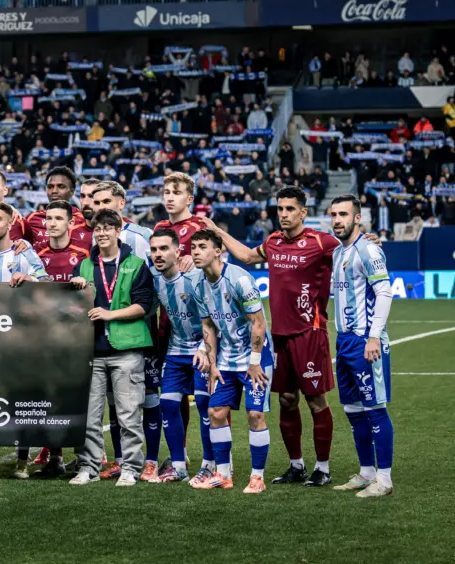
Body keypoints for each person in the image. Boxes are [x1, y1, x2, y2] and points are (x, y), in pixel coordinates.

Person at [203, 186, 345, 487]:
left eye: (290, 209)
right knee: (287, 399)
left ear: (303, 212)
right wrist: (216, 231)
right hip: (279, 336)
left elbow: (350, 250)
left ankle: (323, 467)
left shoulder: (322, 242)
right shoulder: (274, 242)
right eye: (280, 209)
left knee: (315, 400)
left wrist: (367, 238)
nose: (283, 214)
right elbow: (245, 255)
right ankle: (297, 466)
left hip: (310, 332)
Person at [68, 209, 154, 487]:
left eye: (108, 228)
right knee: (90, 417)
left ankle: (129, 467)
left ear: (119, 231)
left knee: (129, 415)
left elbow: (144, 306)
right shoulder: (82, 266)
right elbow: (70, 308)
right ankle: (88, 467)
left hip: (127, 350)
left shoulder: (136, 263)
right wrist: (76, 288)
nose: (102, 233)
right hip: (90, 352)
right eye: (98, 229)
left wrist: (108, 314)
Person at [188, 229, 275, 494]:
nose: (195, 252)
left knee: (255, 414)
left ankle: (257, 477)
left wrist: (255, 361)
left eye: (202, 246)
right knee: (215, 412)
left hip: (255, 359)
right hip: (226, 361)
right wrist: (213, 364)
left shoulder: (240, 279)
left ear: (218, 251)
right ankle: (223, 474)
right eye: (193, 247)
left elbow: (258, 323)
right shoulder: (197, 284)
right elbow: (207, 327)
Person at [0, 202, 50, 478]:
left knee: (21, 397)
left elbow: (48, 284)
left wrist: (29, 278)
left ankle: (22, 461)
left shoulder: (25, 254)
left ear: (10, 223)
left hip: (22, 339)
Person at [91, 180, 160, 480]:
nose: (102, 207)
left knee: (143, 402)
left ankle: (149, 461)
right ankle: (116, 460)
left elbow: (152, 289)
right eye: (97, 202)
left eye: (107, 201)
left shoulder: (143, 238)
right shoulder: (89, 249)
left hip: (135, 337)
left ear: (121, 202)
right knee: (106, 408)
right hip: (98, 344)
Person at [328, 196, 395, 498]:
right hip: (343, 341)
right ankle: (367, 474)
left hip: (364, 340)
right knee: (353, 410)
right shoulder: (338, 253)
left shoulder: (368, 249)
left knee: (375, 408)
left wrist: (373, 336)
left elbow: (384, 291)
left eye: (344, 214)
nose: (337, 219)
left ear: (357, 218)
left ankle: (384, 478)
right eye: (333, 215)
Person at [30, 200, 91, 477]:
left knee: (78, 397)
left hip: (77, 337)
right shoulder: (35, 254)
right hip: (43, 337)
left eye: (58, 218)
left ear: (71, 223)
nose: (52, 223)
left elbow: (94, 289)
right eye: (48, 218)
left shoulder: (83, 255)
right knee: (47, 396)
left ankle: (84, 457)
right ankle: (54, 457)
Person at [148, 228, 211, 484]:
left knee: (207, 407)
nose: (158, 255)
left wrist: (206, 349)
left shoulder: (196, 277)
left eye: (164, 249)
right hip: (176, 349)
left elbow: (215, 315)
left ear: (178, 251)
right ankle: (178, 466)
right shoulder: (154, 277)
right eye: (154, 250)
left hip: (203, 348)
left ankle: (210, 464)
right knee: (169, 404)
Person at [23, 166, 90, 250]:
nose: (54, 191)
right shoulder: (32, 219)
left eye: (61, 186)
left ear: (72, 191)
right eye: (50, 187)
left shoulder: (85, 220)